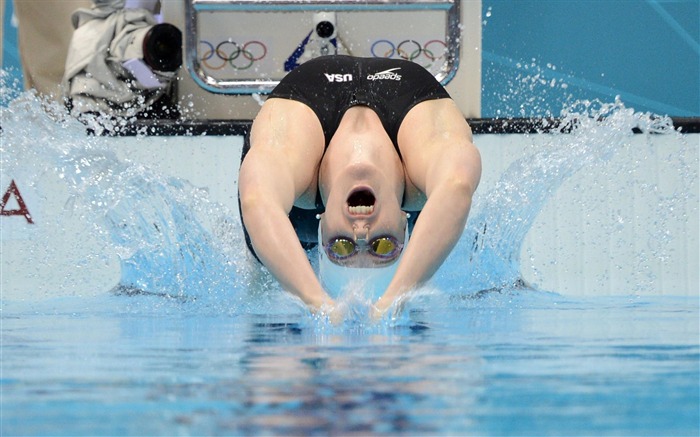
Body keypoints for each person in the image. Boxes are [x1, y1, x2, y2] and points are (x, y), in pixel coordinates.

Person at [238, 55, 481, 320]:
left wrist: (319, 305)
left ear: (322, 226)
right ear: (404, 223)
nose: (361, 231)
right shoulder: (421, 173)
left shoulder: (298, 169)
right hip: (407, 91)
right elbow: (457, 184)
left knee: (265, 272)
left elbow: (255, 198)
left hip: (309, 95)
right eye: (383, 246)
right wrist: (392, 302)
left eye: (341, 246)